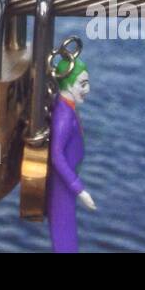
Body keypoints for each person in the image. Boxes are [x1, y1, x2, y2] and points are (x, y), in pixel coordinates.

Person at [48, 54, 95, 253]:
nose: (87, 90)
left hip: (66, 180)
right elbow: (57, 155)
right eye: (82, 85)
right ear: (67, 83)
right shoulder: (64, 117)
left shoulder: (67, 108)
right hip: (63, 183)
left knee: (66, 229)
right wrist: (79, 189)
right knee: (64, 230)